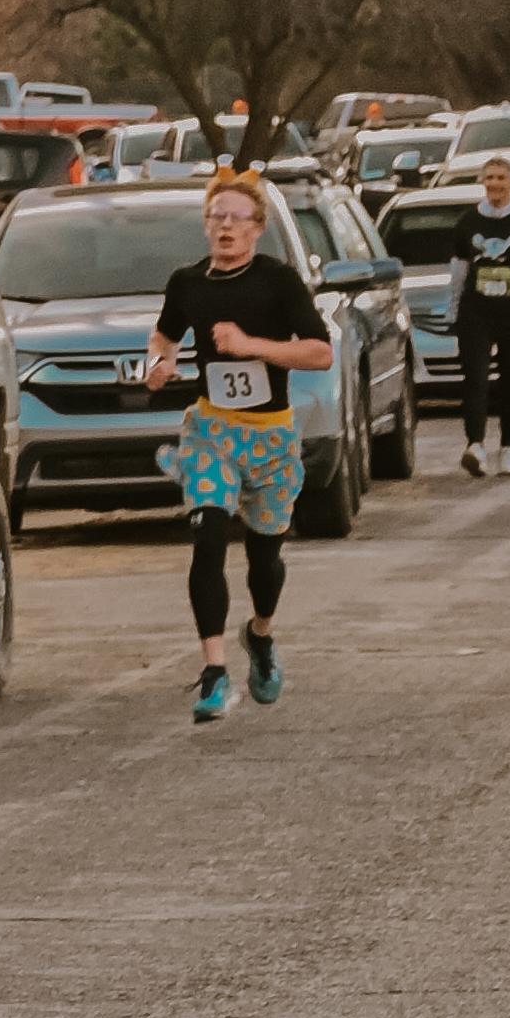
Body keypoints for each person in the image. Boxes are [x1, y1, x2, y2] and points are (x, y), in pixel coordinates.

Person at [141, 169, 331, 722]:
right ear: (206, 226)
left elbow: (320, 352)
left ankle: (261, 634)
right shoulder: (187, 283)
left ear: (257, 228)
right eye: (216, 216)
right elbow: (164, 336)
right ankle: (215, 673)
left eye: (236, 218)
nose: (225, 226)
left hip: (271, 437)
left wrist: (252, 346)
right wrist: (158, 363)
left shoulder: (279, 281)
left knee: (264, 559)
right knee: (208, 537)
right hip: (211, 432)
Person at [453, 155, 510, 475]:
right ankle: (475, 446)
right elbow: (459, 271)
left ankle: (507, 448)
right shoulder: (468, 222)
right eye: (489, 178)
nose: (495, 184)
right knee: (475, 377)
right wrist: (452, 309)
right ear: (482, 182)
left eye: (500, 178)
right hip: (476, 312)